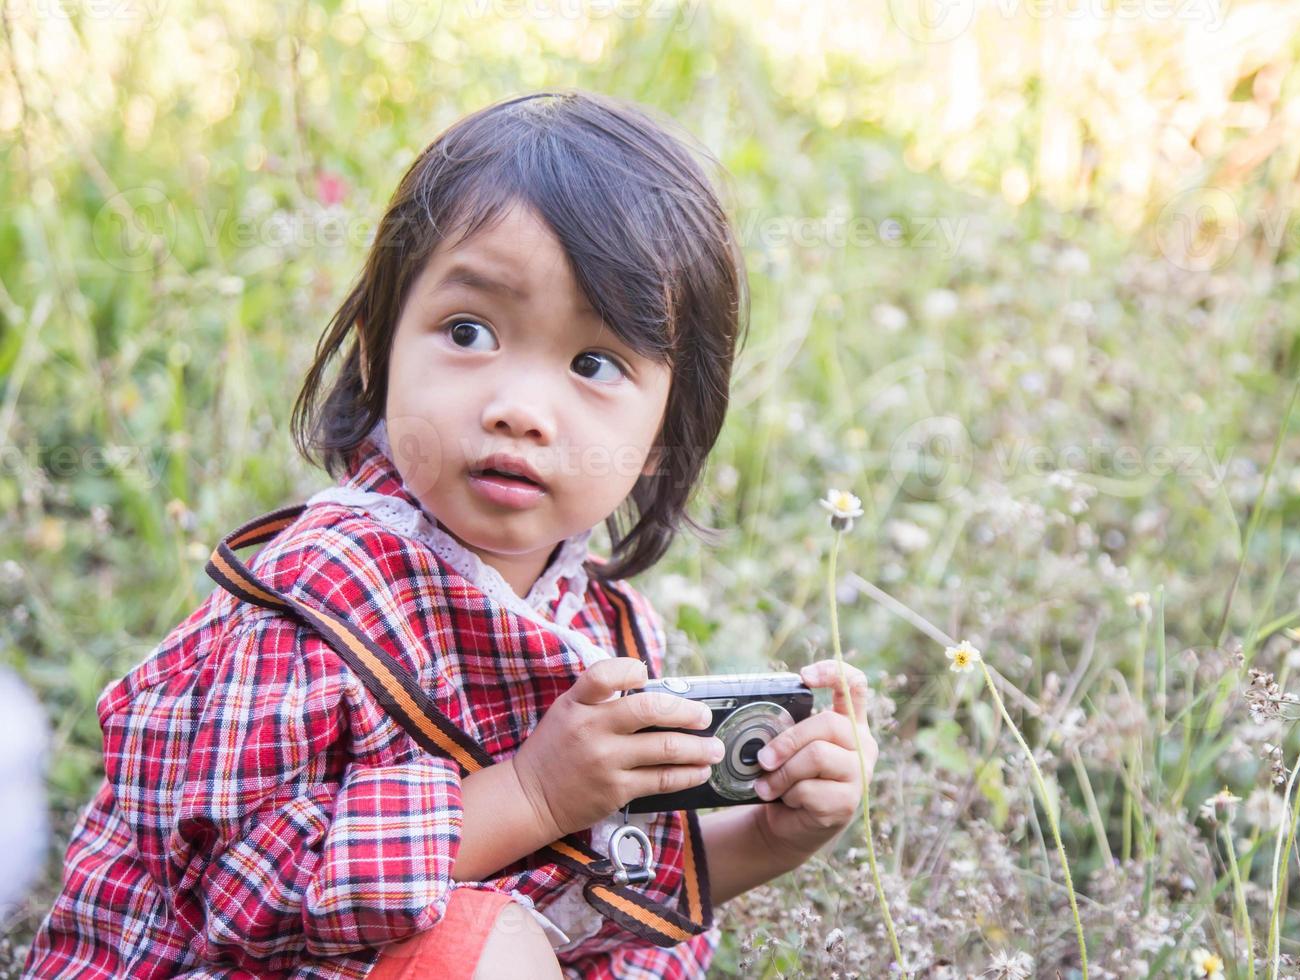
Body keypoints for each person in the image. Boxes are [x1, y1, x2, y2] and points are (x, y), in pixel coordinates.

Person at [25, 89, 880, 979]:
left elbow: (591, 900)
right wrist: (533, 793)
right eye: (468, 332)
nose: (517, 409)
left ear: (668, 434)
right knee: (481, 946)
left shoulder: (611, 634)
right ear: (378, 348)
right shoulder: (314, 598)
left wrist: (775, 837)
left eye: (595, 363)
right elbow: (241, 901)